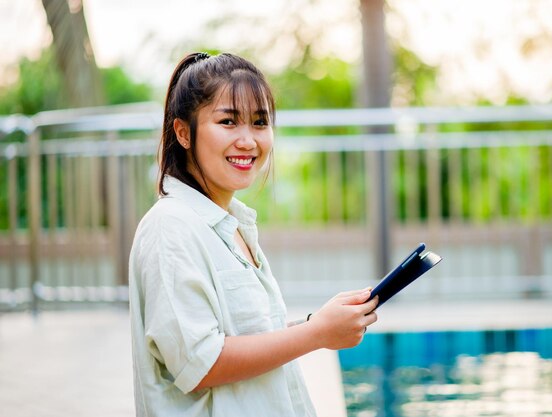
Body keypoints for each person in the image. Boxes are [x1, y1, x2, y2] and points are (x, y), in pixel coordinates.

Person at [128, 52, 379, 417]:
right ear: (183, 132)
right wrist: (316, 334)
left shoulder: (232, 224)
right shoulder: (171, 227)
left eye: (260, 122)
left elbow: (244, 338)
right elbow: (201, 364)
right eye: (228, 121)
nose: (248, 140)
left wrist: (315, 324)